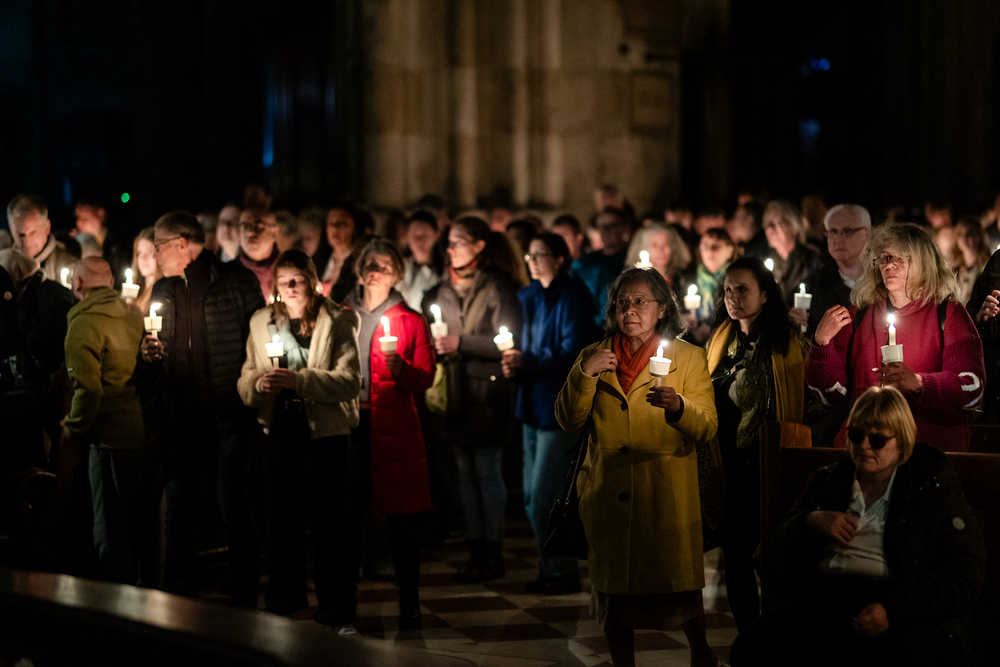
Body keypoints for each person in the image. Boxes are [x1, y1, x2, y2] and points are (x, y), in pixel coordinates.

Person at [730, 386, 985, 667]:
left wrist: (892, 609)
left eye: (877, 440)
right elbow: (777, 551)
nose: (864, 446)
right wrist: (810, 521)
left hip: (896, 599)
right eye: (856, 436)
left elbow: (965, 572)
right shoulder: (829, 480)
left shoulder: (931, 485)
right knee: (751, 646)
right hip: (825, 597)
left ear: (902, 440)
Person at [554, 267, 719, 667]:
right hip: (608, 489)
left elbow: (707, 426)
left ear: (662, 308)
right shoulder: (594, 355)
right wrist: (585, 373)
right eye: (622, 302)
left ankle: (701, 655)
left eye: (640, 301)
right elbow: (567, 419)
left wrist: (679, 408)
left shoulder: (688, 357)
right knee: (614, 597)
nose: (629, 310)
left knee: (679, 590)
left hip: (665, 493)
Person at [140, 211, 265, 605]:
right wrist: (149, 356)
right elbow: (158, 357)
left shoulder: (237, 283)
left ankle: (244, 592)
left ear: (182, 244)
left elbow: (260, 344)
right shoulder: (163, 290)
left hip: (229, 414)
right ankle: (183, 593)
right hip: (183, 417)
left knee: (233, 504)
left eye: (159, 246)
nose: (155, 254)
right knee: (179, 506)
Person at [237, 249, 363, 629]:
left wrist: (299, 380)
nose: (290, 287)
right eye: (283, 281)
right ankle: (284, 601)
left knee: (330, 527)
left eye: (297, 280)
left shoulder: (337, 320)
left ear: (312, 282)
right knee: (281, 524)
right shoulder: (261, 322)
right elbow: (246, 377)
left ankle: (337, 609)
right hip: (280, 432)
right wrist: (259, 384)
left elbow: (349, 381)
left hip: (325, 435)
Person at [807, 223, 985, 451]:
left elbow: (972, 389)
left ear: (923, 262)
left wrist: (919, 383)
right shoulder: (859, 314)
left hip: (928, 454)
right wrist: (821, 344)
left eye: (900, 258)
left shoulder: (949, 313)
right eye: (884, 258)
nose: (889, 265)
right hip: (866, 450)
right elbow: (830, 394)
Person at [421, 216, 526, 583]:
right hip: (455, 393)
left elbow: (510, 341)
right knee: (464, 474)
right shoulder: (442, 289)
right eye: (448, 243)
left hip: (488, 395)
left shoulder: (497, 287)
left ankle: (493, 551)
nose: (450, 249)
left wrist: (461, 342)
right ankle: (476, 547)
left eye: (458, 242)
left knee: (486, 470)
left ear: (479, 246)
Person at [705, 256, 806, 631]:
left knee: (772, 555)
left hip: (767, 461)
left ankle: (778, 636)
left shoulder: (784, 341)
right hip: (728, 461)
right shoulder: (720, 340)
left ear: (765, 294)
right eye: (727, 290)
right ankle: (748, 636)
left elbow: (797, 394)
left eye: (742, 289)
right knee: (735, 556)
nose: (733, 297)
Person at [342, 239, 435, 629]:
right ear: (359, 269)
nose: (374, 270)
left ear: (396, 273)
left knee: (402, 522)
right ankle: (344, 605)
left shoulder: (410, 320)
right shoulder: (341, 314)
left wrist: (401, 370)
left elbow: (425, 376)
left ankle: (409, 602)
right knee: (348, 519)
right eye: (369, 263)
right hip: (351, 426)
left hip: (396, 426)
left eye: (383, 264)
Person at [500, 232, 598, 596]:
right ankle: (550, 568)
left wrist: (527, 360)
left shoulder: (572, 297)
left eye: (540, 254)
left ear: (559, 258)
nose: (532, 261)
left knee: (546, 496)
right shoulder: (529, 296)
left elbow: (575, 354)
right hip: (531, 403)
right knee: (530, 496)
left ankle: (563, 569)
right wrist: (513, 360)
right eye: (529, 255)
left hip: (558, 407)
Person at [63, 257, 145, 584]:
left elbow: (89, 390)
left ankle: (116, 601)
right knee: (144, 525)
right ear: (111, 284)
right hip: (143, 431)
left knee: (110, 529)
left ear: (78, 284)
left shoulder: (83, 324)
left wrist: (71, 426)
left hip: (109, 438)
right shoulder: (134, 316)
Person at [792, 204, 872, 337]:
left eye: (847, 231)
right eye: (833, 231)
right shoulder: (814, 285)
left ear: (867, 233)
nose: (838, 238)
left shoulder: (883, 279)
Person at [573, 207, 632, 327]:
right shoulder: (589, 261)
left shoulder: (630, 260)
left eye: (612, 225)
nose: (606, 230)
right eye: (602, 226)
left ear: (624, 229)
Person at [763, 200, 824, 304]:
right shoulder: (766, 263)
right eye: (768, 224)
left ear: (794, 227)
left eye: (778, 223)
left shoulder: (810, 261)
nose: (771, 229)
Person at [7, 194, 78, 283]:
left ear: (47, 227)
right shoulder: (4, 264)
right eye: (21, 235)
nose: (27, 242)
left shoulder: (70, 266)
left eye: (33, 233)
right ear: (11, 229)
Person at [686, 227, 736, 344]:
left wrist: (715, 331)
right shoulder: (689, 278)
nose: (709, 251)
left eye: (715, 247)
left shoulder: (736, 282)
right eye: (704, 247)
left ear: (730, 250)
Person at [74, 199, 129, 287]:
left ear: (100, 214)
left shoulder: (116, 245)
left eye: (84, 217)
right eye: (77, 217)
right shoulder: (76, 242)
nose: (79, 223)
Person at [314, 203, 362, 303]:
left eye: (342, 224)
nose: (335, 228)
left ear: (354, 228)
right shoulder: (319, 260)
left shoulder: (359, 262)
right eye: (331, 223)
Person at [624, 224, 692, 294]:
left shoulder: (683, 279)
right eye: (654, 245)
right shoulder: (632, 282)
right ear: (641, 248)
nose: (661, 250)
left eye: (665, 244)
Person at [397, 210, 441, 311]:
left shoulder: (443, 272)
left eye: (424, 235)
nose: (419, 240)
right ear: (407, 236)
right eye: (414, 235)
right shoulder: (399, 267)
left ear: (436, 236)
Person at [238, 208, 281, 300]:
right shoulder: (225, 275)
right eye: (245, 227)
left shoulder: (289, 273)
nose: (251, 233)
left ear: (275, 233)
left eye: (259, 228)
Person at [952, 215, 991, 306]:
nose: (964, 238)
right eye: (960, 234)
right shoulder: (953, 270)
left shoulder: (988, 267)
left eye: (969, 234)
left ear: (979, 236)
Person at [128, 227, 162, 315]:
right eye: (139, 253)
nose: (143, 258)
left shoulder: (162, 293)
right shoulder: (134, 290)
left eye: (150, 252)